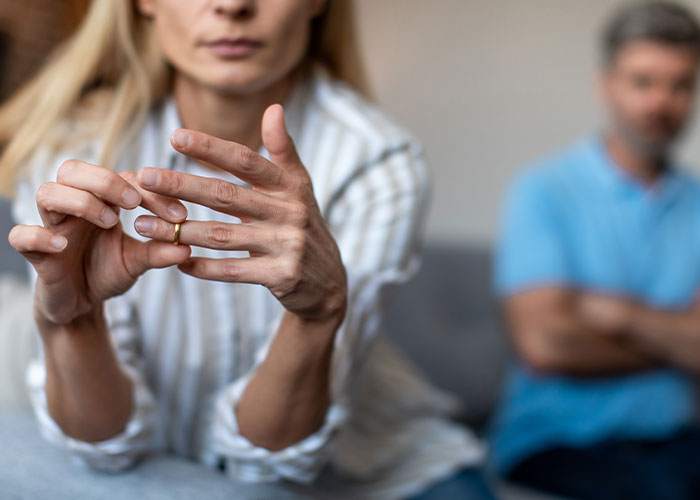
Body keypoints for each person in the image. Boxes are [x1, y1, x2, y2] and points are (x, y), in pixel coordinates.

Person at [2, 1, 490, 499]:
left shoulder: (378, 161)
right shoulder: (67, 152)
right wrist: (73, 323)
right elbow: (104, 449)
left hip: (379, 478)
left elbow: (270, 467)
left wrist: (318, 314)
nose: (232, 5)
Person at [490, 2, 700, 499]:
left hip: (678, 438)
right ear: (606, 84)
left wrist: (618, 314)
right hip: (555, 442)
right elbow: (547, 343)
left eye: (680, 85)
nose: (660, 103)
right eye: (643, 81)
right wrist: (678, 342)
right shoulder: (544, 190)